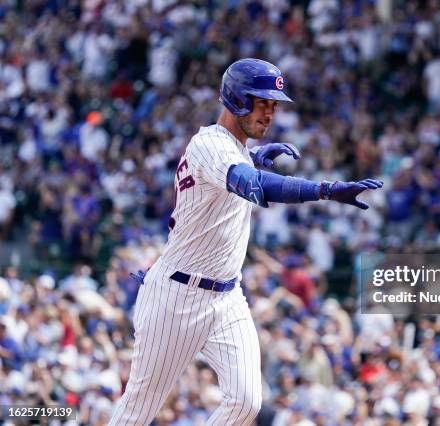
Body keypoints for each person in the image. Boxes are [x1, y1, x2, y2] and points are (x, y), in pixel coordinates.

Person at [108, 58, 383, 425]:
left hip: (227, 296)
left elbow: (235, 171)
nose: (269, 113)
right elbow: (254, 186)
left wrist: (252, 157)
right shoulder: (209, 142)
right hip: (177, 295)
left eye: (274, 105)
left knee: (247, 401)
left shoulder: (231, 149)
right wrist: (325, 190)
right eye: (262, 102)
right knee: (138, 409)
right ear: (237, 98)